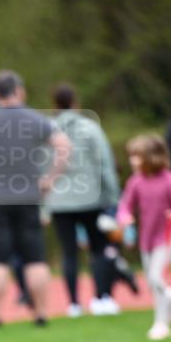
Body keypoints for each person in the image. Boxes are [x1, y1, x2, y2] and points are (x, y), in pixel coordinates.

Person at [0, 70, 70, 326]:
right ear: (20, 91)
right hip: (30, 197)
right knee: (35, 258)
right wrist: (50, 180)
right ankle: (41, 313)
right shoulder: (37, 119)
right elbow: (64, 147)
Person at [45, 83, 121, 317]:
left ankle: (74, 304)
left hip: (59, 201)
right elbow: (104, 164)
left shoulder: (46, 130)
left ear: (55, 105)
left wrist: (43, 206)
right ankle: (101, 298)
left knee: (69, 253)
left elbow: (40, 169)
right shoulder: (90, 128)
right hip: (91, 199)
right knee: (98, 249)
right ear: (75, 103)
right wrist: (114, 198)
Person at [117, 134, 171, 340]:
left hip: (166, 238)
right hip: (146, 239)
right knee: (153, 283)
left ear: (152, 157)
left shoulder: (169, 181)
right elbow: (125, 205)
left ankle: (160, 324)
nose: (133, 161)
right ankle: (168, 311)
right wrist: (125, 217)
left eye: (137, 156)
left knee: (155, 277)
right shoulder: (136, 182)